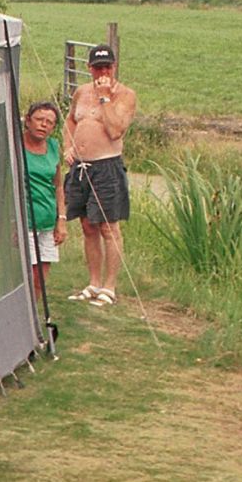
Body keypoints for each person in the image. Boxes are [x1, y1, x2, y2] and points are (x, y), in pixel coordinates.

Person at [62, 44, 137, 306]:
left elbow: (116, 129)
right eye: (97, 67)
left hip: (107, 167)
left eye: (107, 66)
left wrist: (105, 97)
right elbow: (71, 120)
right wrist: (67, 146)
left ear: (114, 67)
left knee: (108, 226)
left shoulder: (125, 95)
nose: (102, 71)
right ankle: (93, 282)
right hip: (82, 166)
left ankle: (109, 286)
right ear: (89, 68)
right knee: (87, 225)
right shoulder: (81, 92)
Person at [21, 101, 65, 296]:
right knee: (27, 275)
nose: (43, 125)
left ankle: (34, 319)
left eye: (49, 122)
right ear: (28, 120)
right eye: (39, 119)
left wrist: (61, 220)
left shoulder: (54, 147)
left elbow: (58, 185)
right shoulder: (16, 146)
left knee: (41, 278)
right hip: (25, 221)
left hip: (47, 221)